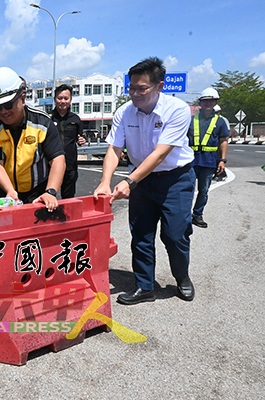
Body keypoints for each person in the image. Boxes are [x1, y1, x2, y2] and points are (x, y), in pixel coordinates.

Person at [93, 57, 196, 305]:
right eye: (131, 88)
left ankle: (182, 277)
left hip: (175, 180)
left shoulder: (177, 110)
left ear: (159, 86)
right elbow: (114, 149)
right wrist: (105, 181)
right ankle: (144, 286)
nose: (135, 94)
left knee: (174, 235)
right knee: (140, 233)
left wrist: (129, 181)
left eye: (142, 89)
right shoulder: (124, 112)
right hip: (142, 181)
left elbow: (160, 154)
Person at [0, 67, 65, 211]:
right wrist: (10, 191)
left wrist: (50, 192)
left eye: (8, 104)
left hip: (38, 191)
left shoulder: (42, 123)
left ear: (22, 98)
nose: (3, 111)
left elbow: (58, 160)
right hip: (6, 192)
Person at [189, 88, 229, 224]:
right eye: (205, 100)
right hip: (190, 161)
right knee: (187, 189)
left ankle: (197, 215)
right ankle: (183, 216)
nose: (208, 103)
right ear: (200, 102)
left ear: (215, 102)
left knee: (203, 190)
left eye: (211, 100)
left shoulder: (220, 122)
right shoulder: (190, 120)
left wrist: (222, 160)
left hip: (209, 161)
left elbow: (223, 141)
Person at [51, 84, 86, 198]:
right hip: (51, 166)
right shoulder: (48, 119)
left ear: (70, 100)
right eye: (59, 98)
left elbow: (80, 137)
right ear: (55, 99)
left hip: (70, 165)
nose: (63, 101)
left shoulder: (75, 119)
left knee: (68, 198)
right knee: (49, 197)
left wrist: (81, 141)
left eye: (66, 98)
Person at [212, 104, 229, 182]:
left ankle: (221, 173)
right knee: (215, 159)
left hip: (219, 143)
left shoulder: (222, 120)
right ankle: (217, 173)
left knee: (219, 158)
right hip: (214, 143)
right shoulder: (211, 119)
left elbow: (226, 133)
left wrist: (224, 143)